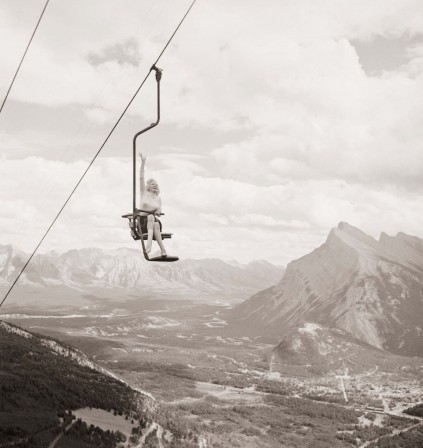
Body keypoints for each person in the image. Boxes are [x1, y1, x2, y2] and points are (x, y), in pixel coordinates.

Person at [138, 152, 167, 257]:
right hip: (142, 224)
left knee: (155, 221)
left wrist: (158, 211)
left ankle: (162, 250)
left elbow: (159, 212)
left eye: (156, 184)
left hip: (154, 222)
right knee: (150, 217)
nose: (155, 185)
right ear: (148, 187)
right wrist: (143, 162)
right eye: (152, 184)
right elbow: (141, 177)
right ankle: (150, 244)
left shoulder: (158, 198)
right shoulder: (144, 193)